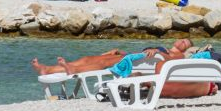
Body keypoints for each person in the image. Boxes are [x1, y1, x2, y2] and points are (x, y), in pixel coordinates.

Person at [31, 39, 195, 76]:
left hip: (145, 62)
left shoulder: (178, 55)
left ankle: (74, 70)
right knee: (89, 58)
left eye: (185, 43)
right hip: (137, 58)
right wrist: (121, 51)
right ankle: (48, 69)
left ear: (186, 49)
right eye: (182, 39)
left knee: (103, 63)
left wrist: (157, 51)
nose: (182, 42)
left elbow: (170, 62)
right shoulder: (167, 48)